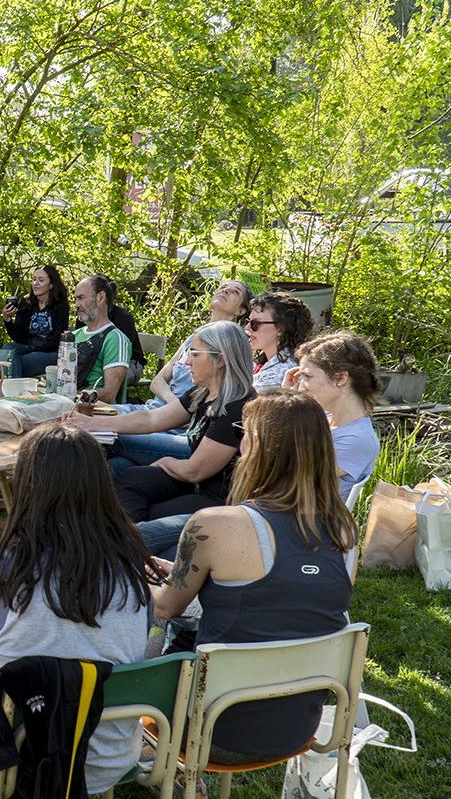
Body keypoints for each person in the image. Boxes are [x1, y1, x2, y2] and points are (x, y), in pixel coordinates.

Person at [0, 422, 153, 793]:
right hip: (111, 757)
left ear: (26, 486)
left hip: (21, 757)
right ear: (102, 487)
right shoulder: (135, 571)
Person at [150, 389, 357, 763]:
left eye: (238, 431)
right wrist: (188, 578)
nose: (237, 441)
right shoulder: (343, 531)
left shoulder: (214, 525)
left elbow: (165, 607)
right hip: (296, 729)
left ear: (256, 443)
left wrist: (129, 579)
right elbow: (287, 601)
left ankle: (127, 761)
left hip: (207, 729)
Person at [66, 320, 254, 522]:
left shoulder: (236, 407)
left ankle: (127, 541)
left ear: (221, 360)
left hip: (213, 498)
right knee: (128, 473)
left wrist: (165, 461)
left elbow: (194, 471)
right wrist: (90, 423)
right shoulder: (202, 393)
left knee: (140, 502)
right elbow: (151, 418)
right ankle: (105, 530)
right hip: (193, 483)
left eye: (196, 355)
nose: (187, 362)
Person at [110, 279, 253, 466]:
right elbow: (157, 381)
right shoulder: (193, 338)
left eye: (234, 292)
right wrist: (173, 404)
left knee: (110, 440)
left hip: (180, 427)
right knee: (88, 414)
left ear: (241, 311)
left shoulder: (234, 347)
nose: (225, 291)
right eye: (223, 287)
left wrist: (178, 412)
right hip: (158, 410)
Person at [285, 330, 382, 500]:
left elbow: (286, 479)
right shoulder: (327, 420)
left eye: (307, 376)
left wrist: (286, 406)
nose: (301, 387)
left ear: (340, 377)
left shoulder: (357, 439)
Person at [71, 273, 134, 402]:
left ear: (100, 298)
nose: (77, 305)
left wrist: (71, 394)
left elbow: (110, 393)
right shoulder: (74, 336)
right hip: (66, 405)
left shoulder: (115, 339)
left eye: (81, 298)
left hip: (95, 411)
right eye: (75, 299)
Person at [1, 265, 70, 378]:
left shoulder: (61, 305)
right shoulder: (26, 303)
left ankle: (15, 391)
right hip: (29, 347)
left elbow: (58, 340)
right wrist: (7, 320)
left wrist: (36, 350)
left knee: (14, 363)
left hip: (49, 351)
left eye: (41, 280)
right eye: (33, 279)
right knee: (8, 348)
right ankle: (17, 388)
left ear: (51, 284)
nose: (35, 283)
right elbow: (20, 337)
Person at [246, 291, 313, 390]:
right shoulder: (265, 361)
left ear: (281, 328)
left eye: (255, 323)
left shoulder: (282, 373)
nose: (248, 328)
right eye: (248, 322)